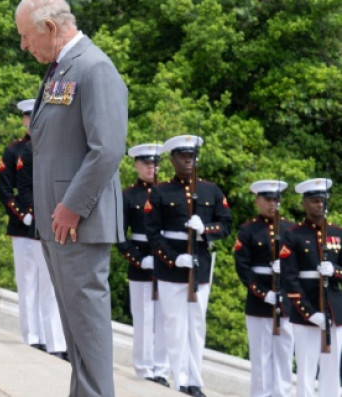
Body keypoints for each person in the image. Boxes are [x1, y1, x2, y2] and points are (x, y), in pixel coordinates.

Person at [14, 0, 127, 397]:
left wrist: (72, 208)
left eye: (27, 36)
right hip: (61, 222)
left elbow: (108, 148)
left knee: (89, 333)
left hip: (79, 222)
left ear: (49, 27)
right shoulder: (62, 69)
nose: (24, 45)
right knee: (76, 335)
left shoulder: (94, 67)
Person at [145, 134, 232, 397]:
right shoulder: (160, 192)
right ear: (172, 160)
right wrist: (173, 258)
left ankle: (195, 379)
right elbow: (153, 232)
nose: (188, 161)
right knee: (174, 325)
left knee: (197, 325)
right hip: (172, 268)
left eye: (191, 156)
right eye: (182, 157)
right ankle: (179, 378)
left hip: (201, 267)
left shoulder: (211, 190)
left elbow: (226, 224)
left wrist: (205, 230)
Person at [0, 98, 68, 357]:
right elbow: (5, 190)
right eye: (29, 117)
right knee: (28, 283)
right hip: (23, 225)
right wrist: (22, 214)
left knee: (50, 284)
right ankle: (33, 336)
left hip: (49, 224)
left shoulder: (55, 149)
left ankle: (55, 342)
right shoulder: (13, 151)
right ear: (24, 120)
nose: (32, 122)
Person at [234, 180, 294, 397]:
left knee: (285, 354)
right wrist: (263, 293)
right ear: (257, 200)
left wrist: (285, 269)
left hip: (286, 302)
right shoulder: (248, 230)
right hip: (260, 302)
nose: (272, 204)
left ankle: (282, 394)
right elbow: (242, 267)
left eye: (276, 199)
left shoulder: (290, 229)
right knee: (260, 355)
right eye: (267, 199)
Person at [117, 143, 170, 387]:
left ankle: (161, 368)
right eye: (147, 163)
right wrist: (139, 260)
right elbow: (120, 235)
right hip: (142, 262)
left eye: (155, 163)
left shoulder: (167, 194)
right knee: (144, 318)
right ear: (136, 165)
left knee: (164, 319)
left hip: (167, 263)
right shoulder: (129, 196)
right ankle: (144, 367)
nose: (152, 168)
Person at [280, 178, 339, 397]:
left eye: (322, 201)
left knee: (332, 368)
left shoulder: (338, 233)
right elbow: (289, 277)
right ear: (304, 203)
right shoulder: (294, 235)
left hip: (334, 309)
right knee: (306, 367)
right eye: (314, 201)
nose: (319, 205)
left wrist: (335, 271)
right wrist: (309, 312)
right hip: (306, 310)